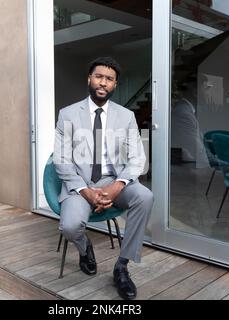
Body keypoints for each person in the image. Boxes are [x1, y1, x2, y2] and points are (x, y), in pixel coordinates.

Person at [53, 57, 153, 300]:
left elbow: (137, 159)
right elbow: (61, 160)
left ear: (115, 85)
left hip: (114, 181)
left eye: (109, 79)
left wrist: (118, 186)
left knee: (145, 196)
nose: (103, 82)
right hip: (80, 184)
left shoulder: (126, 116)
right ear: (89, 79)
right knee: (69, 227)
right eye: (99, 76)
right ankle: (85, 248)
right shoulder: (68, 114)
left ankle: (122, 266)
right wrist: (86, 191)